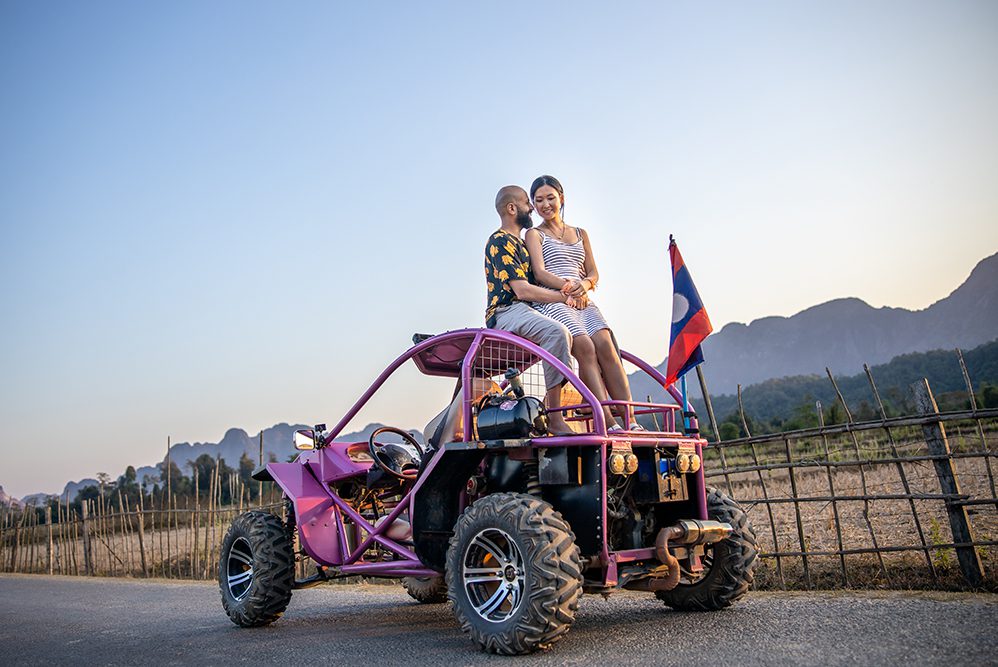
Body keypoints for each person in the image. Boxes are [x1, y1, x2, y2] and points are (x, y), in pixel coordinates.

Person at [524, 175, 639, 431]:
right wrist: (568, 287)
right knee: (585, 347)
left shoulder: (580, 233)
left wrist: (584, 285)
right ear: (533, 205)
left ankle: (630, 420)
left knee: (607, 346)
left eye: (550, 198)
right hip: (556, 299)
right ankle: (607, 421)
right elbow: (539, 273)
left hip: (583, 299)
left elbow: (593, 273)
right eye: (539, 200)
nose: (545, 204)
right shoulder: (534, 234)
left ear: (561, 198)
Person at [484, 185, 580, 435]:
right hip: (506, 311)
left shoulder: (524, 245)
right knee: (557, 333)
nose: (532, 209)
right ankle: (556, 418)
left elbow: (541, 280)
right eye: (528, 203)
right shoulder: (500, 241)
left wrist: (578, 288)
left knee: (577, 336)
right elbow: (523, 290)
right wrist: (562, 296)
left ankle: (579, 408)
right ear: (512, 208)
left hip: (529, 310)